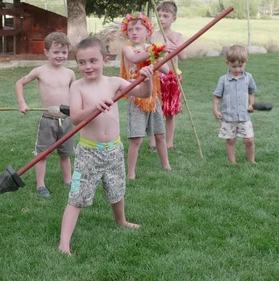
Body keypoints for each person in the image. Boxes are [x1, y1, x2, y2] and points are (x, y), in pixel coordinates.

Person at [58, 37, 153, 255]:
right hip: (88, 153)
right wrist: (93, 108)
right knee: (77, 195)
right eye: (82, 62)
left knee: (116, 189)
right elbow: (74, 117)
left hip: (114, 150)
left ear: (105, 60)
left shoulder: (115, 83)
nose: (88, 66)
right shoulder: (77, 87)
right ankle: (64, 243)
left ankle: (121, 220)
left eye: (93, 60)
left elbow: (143, 94)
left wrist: (145, 79)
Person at [15, 31, 76, 197]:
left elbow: (75, 93)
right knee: (42, 155)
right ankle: (40, 185)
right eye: (56, 52)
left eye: (64, 52)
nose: (60, 56)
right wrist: (22, 102)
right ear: (46, 52)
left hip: (66, 120)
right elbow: (20, 82)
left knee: (66, 153)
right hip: (48, 120)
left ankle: (68, 180)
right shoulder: (40, 71)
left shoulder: (70, 73)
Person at [120, 12, 171, 180]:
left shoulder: (150, 49)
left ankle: (166, 165)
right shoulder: (129, 48)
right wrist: (155, 49)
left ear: (147, 32)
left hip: (153, 96)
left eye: (138, 28)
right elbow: (134, 59)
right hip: (136, 96)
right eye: (130, 29)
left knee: (160, 134)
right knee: (137, 138)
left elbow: (165, 69)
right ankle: (131, 172)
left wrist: (163, 54)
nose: (134, 32)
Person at [149, 1, 187, 152]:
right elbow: (151, 56)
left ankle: (169, 143)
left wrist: (173, 44)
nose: (161, 18)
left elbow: (183, 57)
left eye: (166, 15)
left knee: (170, 112)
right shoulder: (153, 36)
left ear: (174, 19)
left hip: (173, 78)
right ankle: (153, 142)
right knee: (154, 110)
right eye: (159, 15)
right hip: (157, 78)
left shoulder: (177, 36)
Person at [213, 44, 257, 164]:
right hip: (228, 117)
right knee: (230, 141)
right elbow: (217, 96)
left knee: (249, 140)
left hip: (244, 117)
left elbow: (251, 93)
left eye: (240, 66)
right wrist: (216, 110)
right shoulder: (223, 80)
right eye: (234, 66)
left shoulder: (248, 78)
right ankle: (233, 162)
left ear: (246, 62)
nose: (237, 69)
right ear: (227, 63)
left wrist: (251, 105)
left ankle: (251, 160)